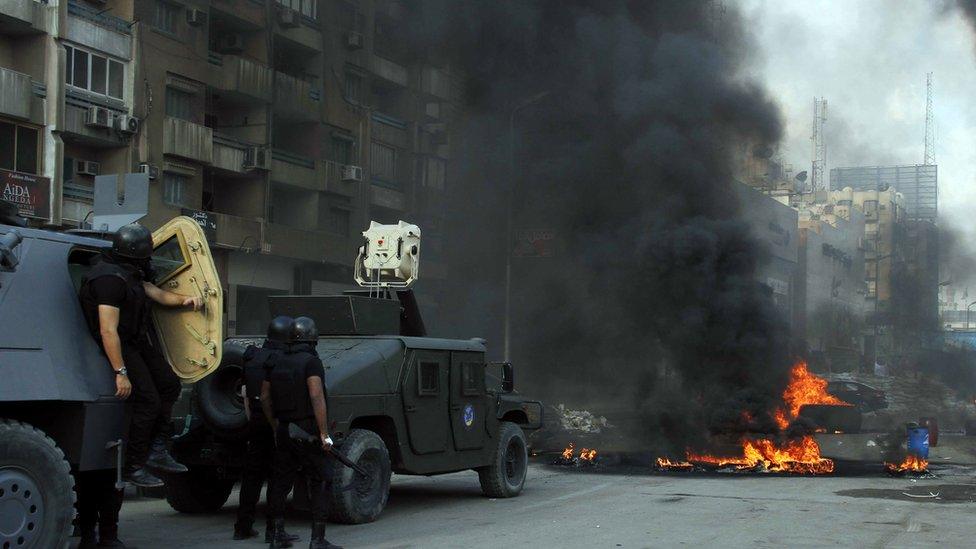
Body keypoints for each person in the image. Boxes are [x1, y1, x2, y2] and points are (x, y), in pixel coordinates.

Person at [79, 223, 201, 488]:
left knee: (169, 384)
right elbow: (107, 330)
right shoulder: (109, 279)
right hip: (119, 344)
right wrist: (121, 373)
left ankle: (157, 450)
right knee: (148, 401)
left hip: (134, 341)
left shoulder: (128, 273)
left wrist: (185, 300)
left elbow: (156, 293)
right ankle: (135, 465)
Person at [262, 316, 342, 549]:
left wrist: (276, 425)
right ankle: (317, 540)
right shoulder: (311, 362)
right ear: (312, 339)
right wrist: (324, 433)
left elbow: (265, 396)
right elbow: (316, 395)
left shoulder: (274, 360)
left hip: (284, 429)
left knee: (279, 482)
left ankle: (276, 535)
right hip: (307, 430)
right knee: (321, 479)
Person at [234, 315, 299, 544]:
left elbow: (244, 393)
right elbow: (271, 396)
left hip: (255, 420)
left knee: (252, 476)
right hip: (276, 421)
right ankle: (274, 531)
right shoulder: (283, 358)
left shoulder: (252, 356)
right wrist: (277, 428)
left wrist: (253, 419)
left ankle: (243, 527)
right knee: (278, 477)